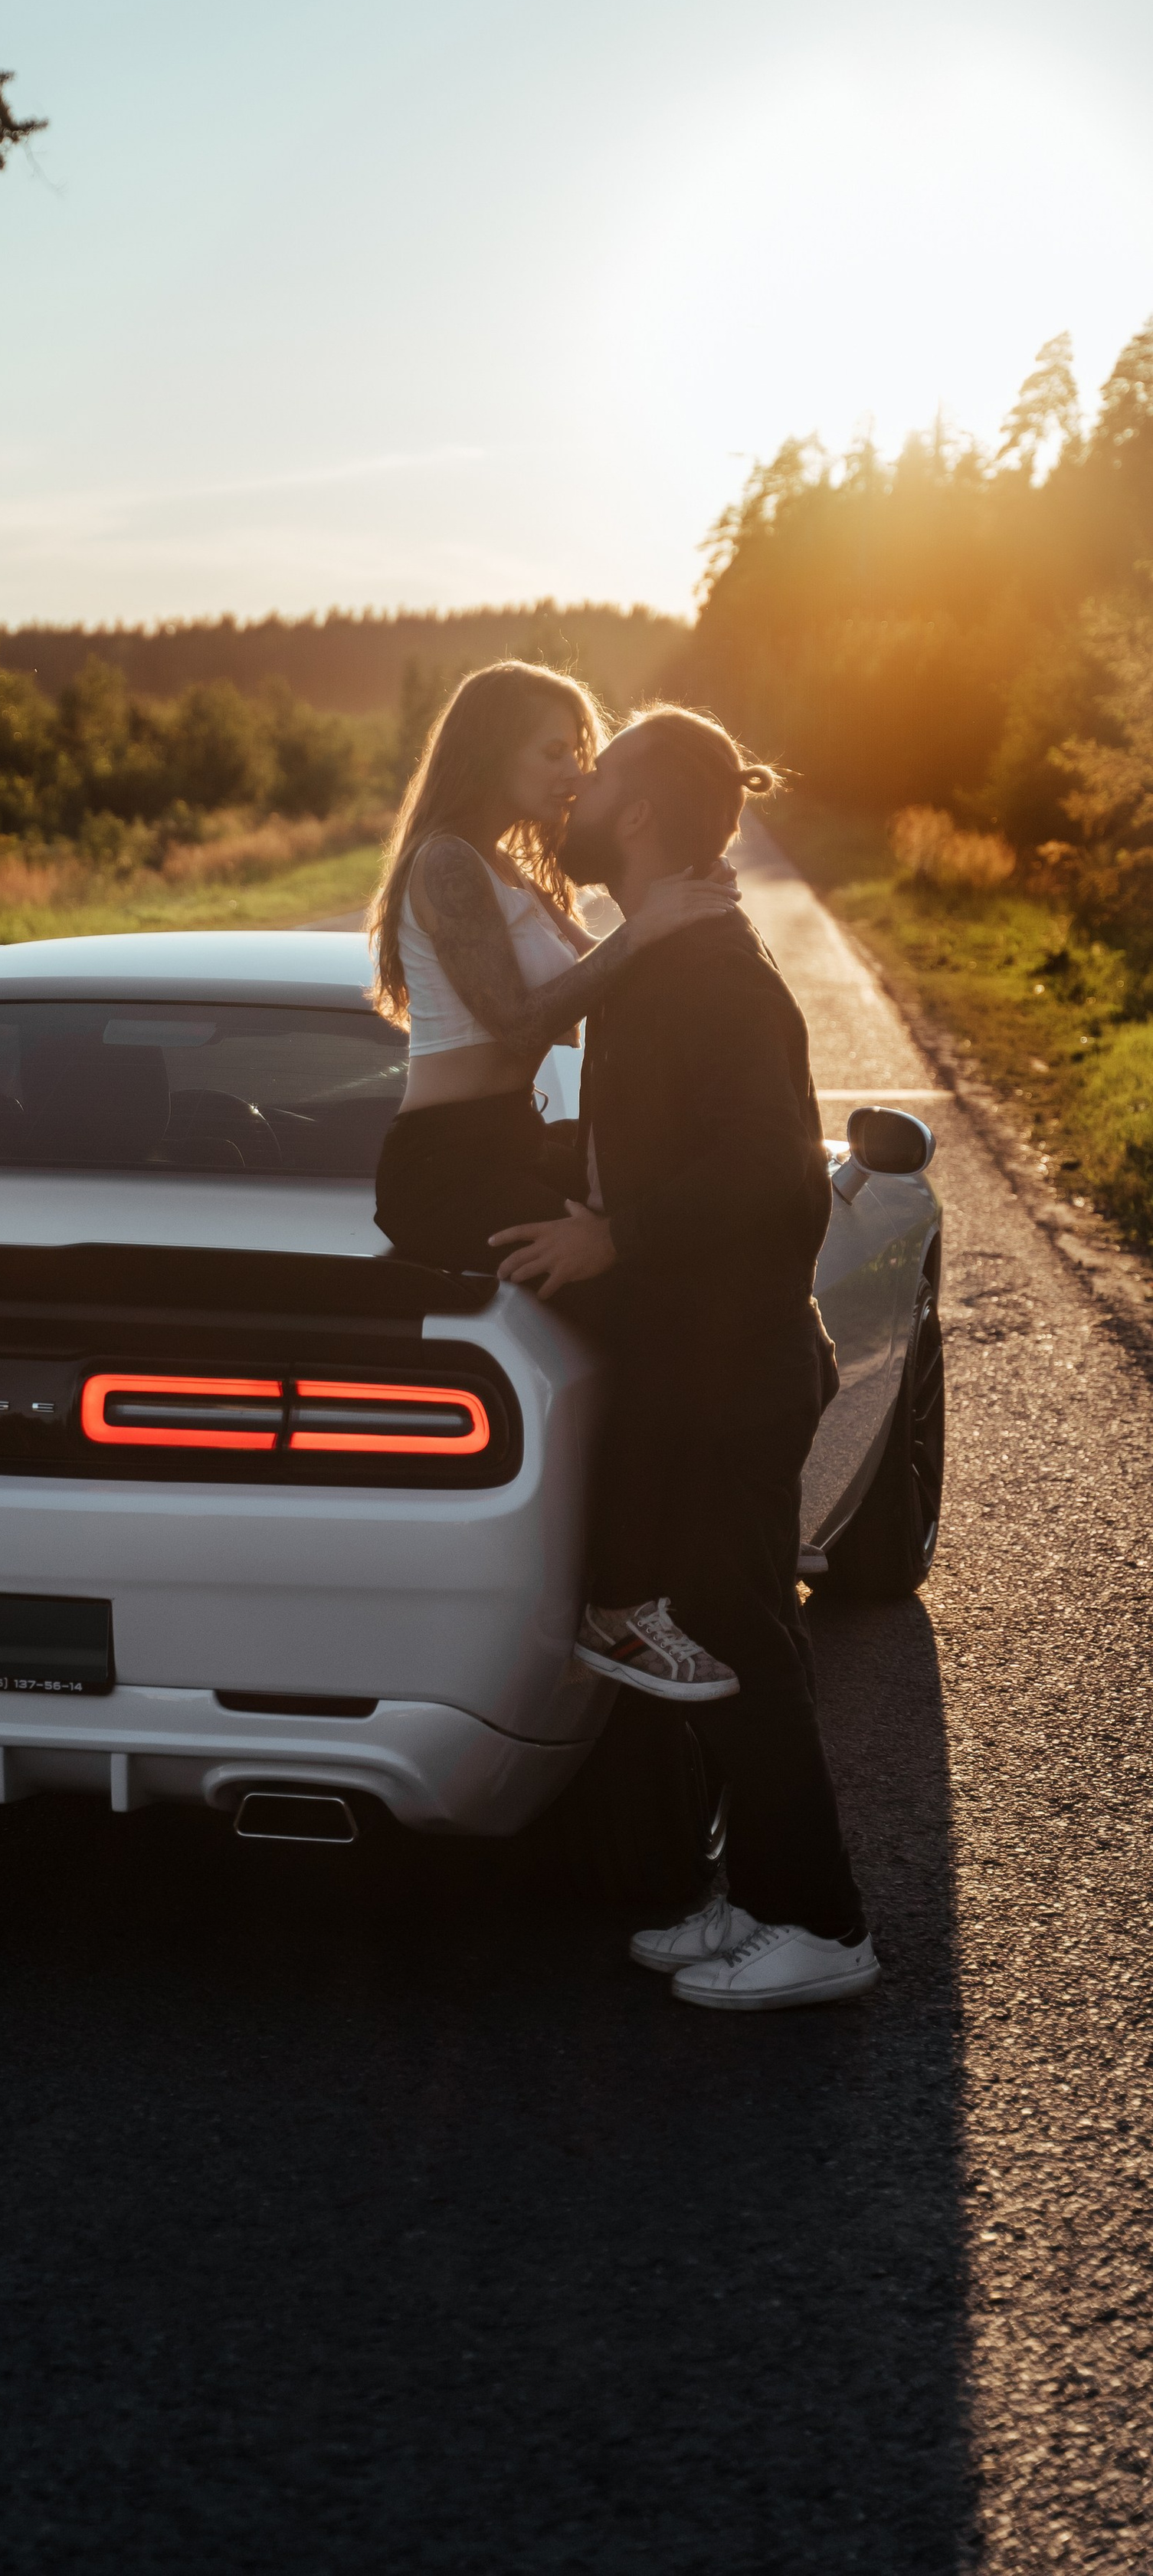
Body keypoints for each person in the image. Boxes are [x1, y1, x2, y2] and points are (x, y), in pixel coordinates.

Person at [490, 706, 877, 2013]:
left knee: (737, 1639)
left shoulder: (705, 968)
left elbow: (777, 1180)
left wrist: (619, 1238)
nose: (577, 796)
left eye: (596, 779)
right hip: (701, 1366)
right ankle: (760, 1895)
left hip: (733, 1372)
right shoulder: (672, 953)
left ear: (642, 815)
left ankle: (823, 1925)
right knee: (714, 1638)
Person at [367, 662, 734, 1275]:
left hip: (511, 1145)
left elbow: (607, 963)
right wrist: (643, 928)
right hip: (445, 1171)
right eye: (555, 751)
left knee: (667, 1218)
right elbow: (517, 1023)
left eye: (580, 751)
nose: (577, 772)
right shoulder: (447, 863)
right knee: (629, 1276)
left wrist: (686, 887)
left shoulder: (504, 868)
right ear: (492, 750)